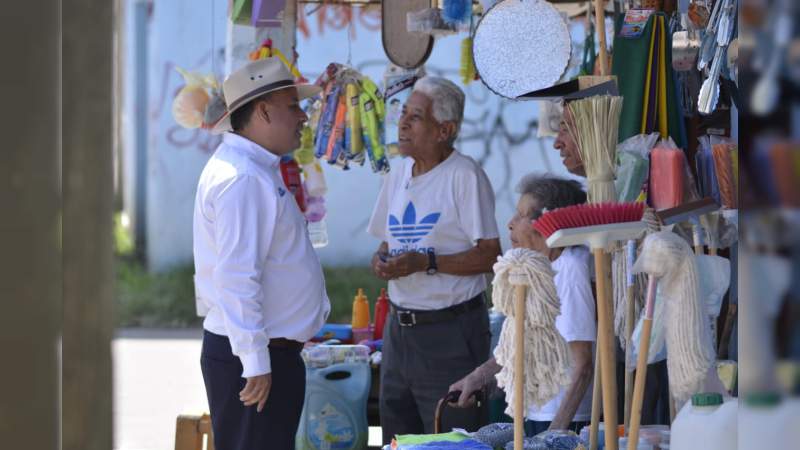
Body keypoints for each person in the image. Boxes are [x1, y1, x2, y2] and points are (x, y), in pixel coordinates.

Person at [193, 58, 330, 450]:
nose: (303, 117)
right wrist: (255, 363)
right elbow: (236, 276)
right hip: (254, 357)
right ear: (265, 111)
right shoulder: (243, 178)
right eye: (293, 106)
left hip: (264, 352)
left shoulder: (252, 168)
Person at [367, 76, 502, 443]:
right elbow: (384, 243)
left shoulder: (464, 175)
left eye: (416, 116)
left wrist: (425, 262)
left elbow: (491, 255)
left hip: (451, 331)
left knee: (450, 436)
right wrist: (382, 262)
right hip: (399, 331)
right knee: (398, 434)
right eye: (403, 113)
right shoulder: (398, 173)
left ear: (445, 129)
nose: (402, 122)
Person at [449, 175, 596, 435]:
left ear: (549, 223)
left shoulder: (571, 269)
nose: (510, 224)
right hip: (538, 410)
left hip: (565, 419)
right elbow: (520, 343)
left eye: (520, 216)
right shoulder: (538, 267)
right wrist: (480, 376)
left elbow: (583, 365)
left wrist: (554, 434)